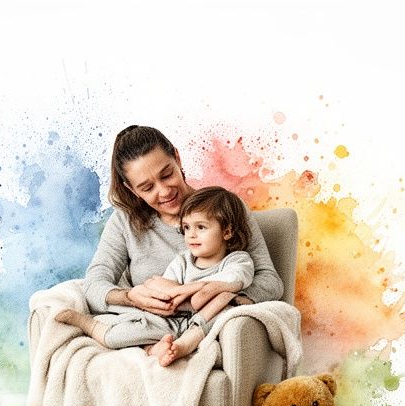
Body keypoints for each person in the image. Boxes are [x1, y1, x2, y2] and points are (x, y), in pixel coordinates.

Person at [55, 125, 284, 360]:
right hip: (150, 322)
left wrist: (222, 300)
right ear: (131, 189)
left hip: (207, 327)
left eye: (167, 175)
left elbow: (270, 280)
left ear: (177, 157)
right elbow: (94, 284)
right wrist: (130, 297)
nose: (164, 191)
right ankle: (148, 347)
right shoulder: (124, 221)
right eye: (147, 187)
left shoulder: (223, 208)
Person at [57, 185, 254, 366]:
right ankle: (90, 325)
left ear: (227, 231)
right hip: (171, 318)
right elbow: (162, 289)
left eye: (200, 227)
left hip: (198, 325)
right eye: (186, 228)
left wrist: (182, 290)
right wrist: (181, 293)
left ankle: (173, 347)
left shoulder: (238, 261)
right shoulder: (183, 260)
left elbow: (223, 286)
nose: (191, 235)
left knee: (224, 303)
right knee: (120, 335)